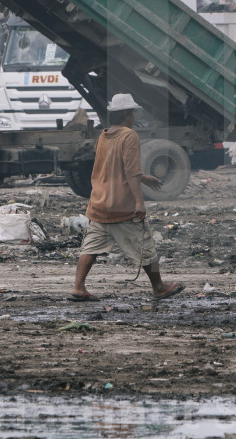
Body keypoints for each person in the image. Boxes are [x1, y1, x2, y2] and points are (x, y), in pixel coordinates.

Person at [70, 93, 185, 302]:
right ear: (125, 114)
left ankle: (78, 287)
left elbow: (113, 168)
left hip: (98, 203)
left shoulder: (103, 136)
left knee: (91, 246)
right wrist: (139, 202)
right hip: (121, 206)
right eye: (132, 112)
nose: (134, 115)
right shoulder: (129, 135)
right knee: (144, 244)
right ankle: (159, 287)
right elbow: (130, 170)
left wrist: (142, 178)